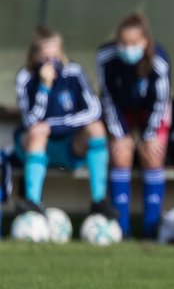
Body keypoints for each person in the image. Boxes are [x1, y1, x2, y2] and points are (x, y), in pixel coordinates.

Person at [13, 26, 114, 219]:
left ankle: (99, 201)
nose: (52, 62)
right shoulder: (25, 78)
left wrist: (57, 125)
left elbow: (94, 110)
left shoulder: (75, 73)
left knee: (96, 129)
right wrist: (44, 87)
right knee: (37, 132)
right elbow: (31, 121)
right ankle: (32, 202)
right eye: (46, 57)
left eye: (55, 56)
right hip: (36, 145)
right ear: (34, 57)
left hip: (69, 146)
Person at [97, 12, 171, 238]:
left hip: (152, 113)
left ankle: (151, 228)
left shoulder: (159, 61)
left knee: (153, 153)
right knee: (120, 153)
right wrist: (121, 135)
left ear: (145, 41)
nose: (127, 48)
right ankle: (121, 228)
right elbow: (107, 98)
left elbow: (161, 102)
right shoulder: (105, 57)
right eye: (123, 42)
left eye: (133, 43)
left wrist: (149, 136)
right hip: (122, 113)